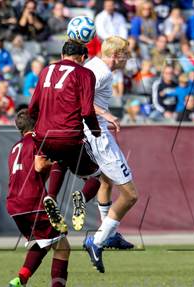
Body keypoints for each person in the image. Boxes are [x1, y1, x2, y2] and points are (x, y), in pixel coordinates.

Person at [28, 40, 102, 234]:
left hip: (44, 136)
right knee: (95, 177)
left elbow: (32, 107)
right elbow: (87, 111)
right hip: (69, 135)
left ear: (62, 56)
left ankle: (51, 196)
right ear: (83, 58)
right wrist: (95, 130)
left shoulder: (46, 71)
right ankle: (81, 198)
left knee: (59, 159)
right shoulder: (85, 73)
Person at [83, 36, 138, 273]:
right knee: (130, 194)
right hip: (98, 135)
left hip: (88, 133)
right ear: (115, 55)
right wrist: (106, 115)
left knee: (105, 181)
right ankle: (97, 240)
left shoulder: (93, 65)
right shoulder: (103, 72)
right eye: (126, 54)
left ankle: (110, 234)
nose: (128, 58)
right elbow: (80, 100)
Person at [6, 109, 71, 287]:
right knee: (63, 247)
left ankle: (21, 280)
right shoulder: (38, 140)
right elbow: (39, 164)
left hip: (15, 204)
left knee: (45, 242)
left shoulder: (15, 147)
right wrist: (60, 162)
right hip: (33, 202)